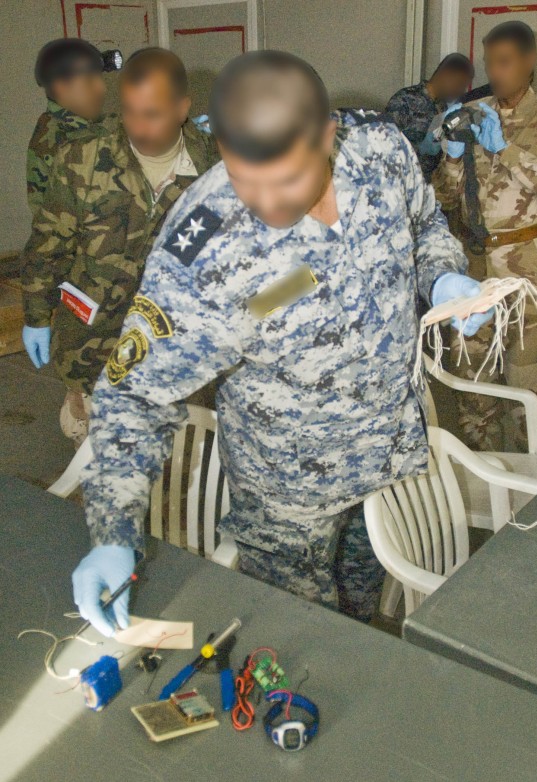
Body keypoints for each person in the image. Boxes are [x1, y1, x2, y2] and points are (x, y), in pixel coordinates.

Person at [69, 51, 492, 636]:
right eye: (247, 180)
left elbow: (425, 228)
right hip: (287, 495)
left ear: (327, 134)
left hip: (389, 460)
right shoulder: (202, 249)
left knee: (361, 625)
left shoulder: (383, 154)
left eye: (288, 178)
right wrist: (113, 531)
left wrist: (443, 274)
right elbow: (132, 393)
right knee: (300, 647)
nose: (267, 205)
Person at [21, 48, 215, 446]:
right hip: (94, 348)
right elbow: (48, 245)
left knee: (177, 476)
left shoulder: (215, 167)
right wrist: (37, 316)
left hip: (177, 353)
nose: (139, 127)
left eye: (154, 113)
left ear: (182, 108)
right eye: (130, 111)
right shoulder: (83, 155)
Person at [432, 21, 537, 452]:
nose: (494, 72)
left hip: (523, 263)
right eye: (489, 62)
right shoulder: (475, 111)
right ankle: (483, 472)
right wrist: (452, 154)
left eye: (504, 61)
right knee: (470, 372)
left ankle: (533, 475)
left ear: (530, 60)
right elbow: (445, 196)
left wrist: (505, 148)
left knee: (528, 376)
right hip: (473, 259)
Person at [27, 38, 112, 216]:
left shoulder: (85, 127)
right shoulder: (62, 139)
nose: (102, 88)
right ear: (61, 87)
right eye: (90, 80)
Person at [385, 54, 474, 183]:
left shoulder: (442, 108)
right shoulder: (405, 100)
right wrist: (419, 149)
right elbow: (387, 147)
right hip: (402, 182)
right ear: (446, 74)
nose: (460, 91)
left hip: (429, 186)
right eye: (460, 84)